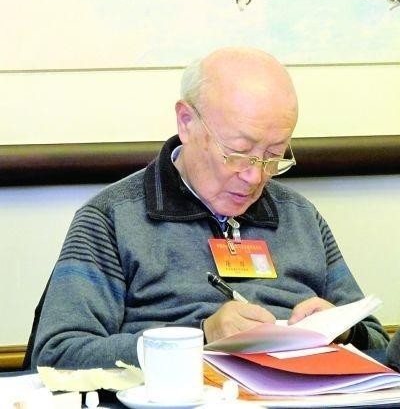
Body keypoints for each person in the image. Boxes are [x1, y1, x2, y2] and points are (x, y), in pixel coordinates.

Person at [31, 46, 389, 370]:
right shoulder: (112, 219)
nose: (254, 177)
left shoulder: (300, 217)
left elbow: (378, 343)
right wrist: (200, 337)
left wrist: (343, 330)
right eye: (238, 152)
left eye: (273, 155)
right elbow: (57, 356)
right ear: (187, 122)